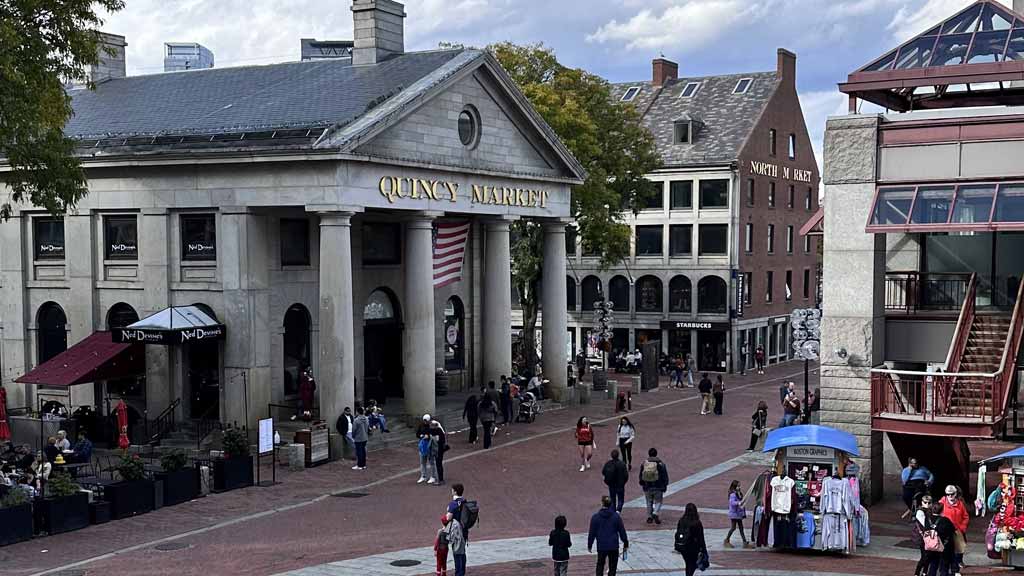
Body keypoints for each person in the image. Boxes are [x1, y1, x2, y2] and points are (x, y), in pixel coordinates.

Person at [588, 495, 629, 576]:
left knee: (600, 564)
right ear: (611, 504)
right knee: (613, 566)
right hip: (613, 545)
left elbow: (592, 533)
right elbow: (621, 530)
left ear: (602, 503)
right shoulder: (616, 517)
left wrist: (590, 544)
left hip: (602, 545)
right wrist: (625, 541)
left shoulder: (595, 517)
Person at [941, 485, 968, 576]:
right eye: (948, 494)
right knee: (946, 552)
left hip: (957, 531)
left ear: (955, 494)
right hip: (945, 533)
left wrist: (962, 528)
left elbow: (965, 517)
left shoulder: (960, 504)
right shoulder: (942, 503)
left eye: (952, 494)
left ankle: (955, 569)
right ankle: (944, 570)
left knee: (958, 550)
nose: (950, 496)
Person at [674, 503, 708, 576]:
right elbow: (701, 538)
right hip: (693, 548)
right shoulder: (697, 523)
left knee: (688, 564)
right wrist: (704, 550)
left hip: (683, 546)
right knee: (692, 565)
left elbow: (678, 532)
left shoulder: (682, 520)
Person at [639, 447, 669, 524]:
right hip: (658, 486)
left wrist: (642, 483)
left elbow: (641, 475)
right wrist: (665, 485)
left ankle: (649, 516)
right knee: (658, 501)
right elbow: (664, 475)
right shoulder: (660, 464)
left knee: (649, 501)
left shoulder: (644, 463)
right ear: (656, 454)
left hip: (647, 486)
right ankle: (655, 512)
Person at [927, 500, 956, 576]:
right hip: (943, 546)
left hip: (931, 545)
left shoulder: (928, 519)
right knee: (944, 565)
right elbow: (952, 530)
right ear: (942, 510)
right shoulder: (945, 520)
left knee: (933, 564)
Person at [913, 493, 934, 576]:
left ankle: (925, 572)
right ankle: (917, 573)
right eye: (925, 502)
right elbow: (925, 524)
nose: (927, 504)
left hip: (929, 536)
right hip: (922, 537)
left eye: (929, 503)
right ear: (922, 502)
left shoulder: (931, 511)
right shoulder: (920, 512)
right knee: (925, 556)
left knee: (928, 555)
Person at [724, 480, 750, 548]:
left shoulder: (739, 493)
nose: (739, 487)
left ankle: (744, 542)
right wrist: (738, 503)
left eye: (739, 486)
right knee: (733, 527)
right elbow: (732, 503)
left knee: (741, 528)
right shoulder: (733, 494)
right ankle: (727, 540)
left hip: (738, 514)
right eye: (738, 486)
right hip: (734, 514)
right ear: (734, 486)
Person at [418, 415, 437, 483]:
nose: (425, 422)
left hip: (430, 445)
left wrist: (428, 436)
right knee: (422, 462)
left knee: (431, 462)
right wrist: (421, 435)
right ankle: (423, 476)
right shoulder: (421, 425)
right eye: (424, 420)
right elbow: (417, 434)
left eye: (426, 420)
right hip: (422, 445)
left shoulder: (432, 425)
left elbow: (434, 434)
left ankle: (433, 476)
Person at [430, 419, 448, 486]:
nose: (430, 427)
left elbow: (441, 442)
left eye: (432, 425)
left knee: (439, 464)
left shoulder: (439, 432)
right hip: (436, 450)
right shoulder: (434, 431)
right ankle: (440, 479)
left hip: (439, 451)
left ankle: (441, 480)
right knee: (438, 464)